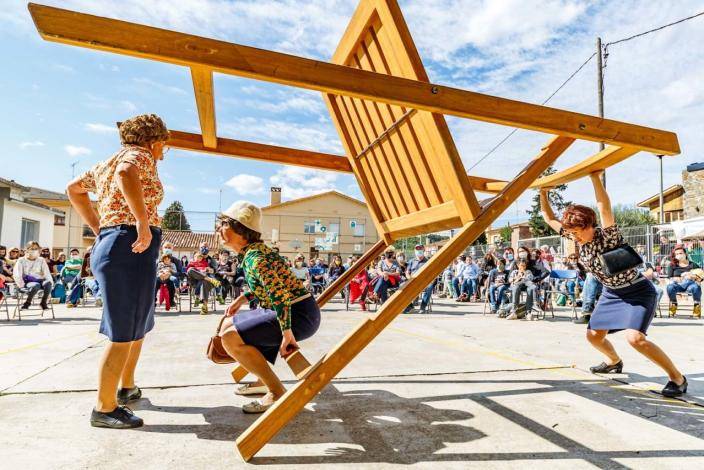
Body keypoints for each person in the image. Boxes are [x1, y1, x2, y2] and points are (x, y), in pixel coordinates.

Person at [540, 171, 687, 397]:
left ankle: (677, 379)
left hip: (637, 291)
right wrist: (543, 192)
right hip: (611, 293)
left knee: (635, 339)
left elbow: (604, 208)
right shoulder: (573, 237)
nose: (575, 238)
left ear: (590, 225)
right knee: (593, 336)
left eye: (578, 233)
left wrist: (594, 177)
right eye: (572, 234)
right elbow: (549, 218)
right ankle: (614, 361)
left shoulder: (608, 236)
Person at [66, 113, 169, 428]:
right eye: (164, 145)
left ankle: (126, 387)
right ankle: (105, 407)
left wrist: (99, 226)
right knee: (124, 329)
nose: (164, 152)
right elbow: (127, 173)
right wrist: (140, 219)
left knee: (137, 322)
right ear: (153, 141)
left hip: (115, 242)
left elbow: (74, 189)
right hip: (130, 244)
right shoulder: (138, 156)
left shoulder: (105, 162)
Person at [216, 201, 320, 413]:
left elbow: (279, 294)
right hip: (293, 309)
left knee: (229, 337)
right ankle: (261, 380)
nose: (219, 228)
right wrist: (242, 299)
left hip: (297, 315)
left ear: (240, 230)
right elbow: (271, 285)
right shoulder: (253, 252)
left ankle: (276, 391)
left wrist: (287, 333)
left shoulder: (256, 258)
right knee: (229, 324)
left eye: (224, 223)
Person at [12, 241, 53, 311]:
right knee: (36, 285)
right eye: (32, 248)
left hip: (40, 280)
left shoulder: (41, 260)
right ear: (27, 249)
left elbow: (47, 273)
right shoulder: (21, 260)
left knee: (48, 283)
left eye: (36, 248)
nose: (34, 250)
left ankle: (43, 302)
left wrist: (51, 283)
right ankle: (27, 303)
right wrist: (21, 286)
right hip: (28, 282)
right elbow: (17, 274)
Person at [666, 245, 701, 318]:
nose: (679, 255)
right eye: (677, 254)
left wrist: (692, 276)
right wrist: (679, 278)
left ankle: (697, 306)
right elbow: (669, 278)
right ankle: (674, 303)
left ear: (685, 254)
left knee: (696, 286)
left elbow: (700, 278)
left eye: (681, 253)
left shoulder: (693, 264)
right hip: (678, 285)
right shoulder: (672, 265)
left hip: (690, 286)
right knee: (670, 287)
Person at [404, 244, 434, 313]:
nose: (419, 251)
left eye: (420, 249)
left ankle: (423, 307)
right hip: (412, 281)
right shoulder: (411, 261)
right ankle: (409, 306)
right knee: (401, 286)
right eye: (417, 249)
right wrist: (409, 278)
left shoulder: (428, 261)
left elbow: (430, 273)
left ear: (423, 250)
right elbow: (407, 272)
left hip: (423, 282)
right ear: (415, 251)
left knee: (429, 287)